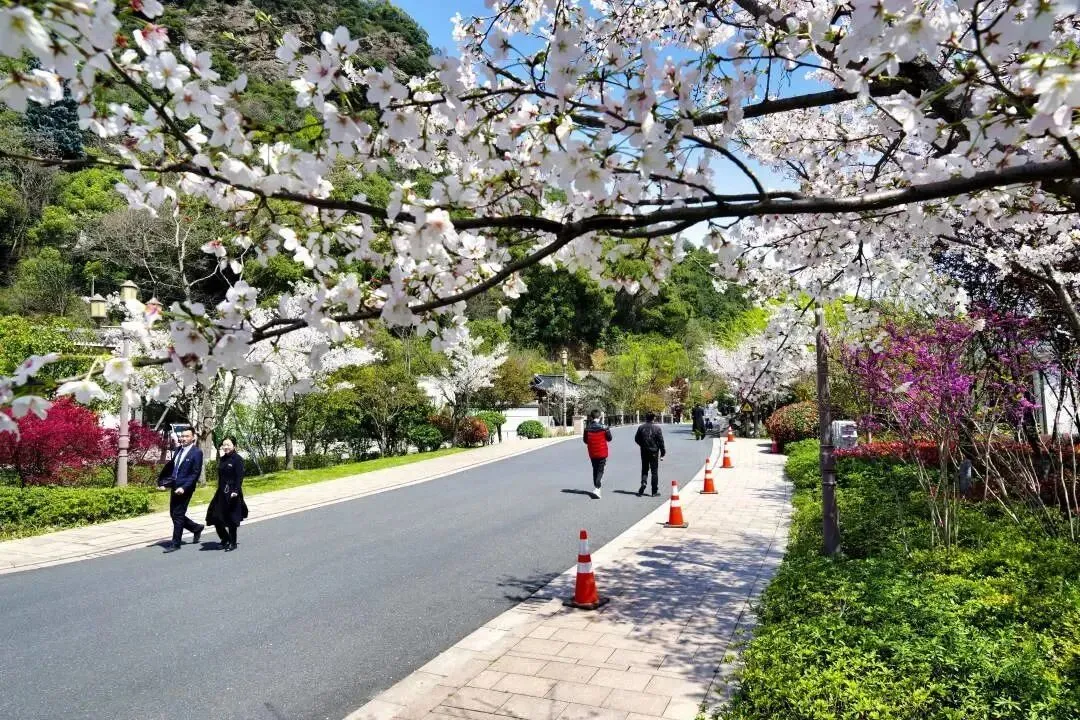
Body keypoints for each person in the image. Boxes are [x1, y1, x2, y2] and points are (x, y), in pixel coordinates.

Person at [157, 426, 204, 553]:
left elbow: (195, 473)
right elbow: (174, 470)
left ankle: (175, 543)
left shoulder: (197, 453)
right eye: (182, 436)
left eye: (187, 436)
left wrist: (184, 487)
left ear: (193, 438)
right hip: (175, 486)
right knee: (174, 514)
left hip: (185, 488)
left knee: (177, 514)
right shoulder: (178, 450)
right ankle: (196, 528)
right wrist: (165, 484)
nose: (183, 438)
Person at [205, 436, 248, 551]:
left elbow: (239, 477)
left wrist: (236, 491)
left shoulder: (237, 459)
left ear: (234, 446)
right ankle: (225, 539)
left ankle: (233, 543)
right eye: (224, 445)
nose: (226, 447)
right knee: (214, 516)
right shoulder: (223, 459)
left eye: (228, 444)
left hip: (233, 492)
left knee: (231, 519)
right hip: (221, 492)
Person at [582, 409, 612, 499]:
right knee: (600, 470)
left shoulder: (587, 428)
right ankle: (597, 487)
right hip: (602, 452)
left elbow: (585, 441)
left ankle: (597, 488)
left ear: (591, 417)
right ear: (600, 417)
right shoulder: (604, 427)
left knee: (595, 469)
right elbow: (609, 438)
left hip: (592, 452)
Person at [634, 412, 666, 497]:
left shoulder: (641, 427)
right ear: (653, 418)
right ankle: (654, 491)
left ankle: (644, 482)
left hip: (644, 451)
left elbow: (636, 439)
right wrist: (663, 452)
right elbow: (661, 441)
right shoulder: (657, 428)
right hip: (654, 451)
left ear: (646, 418)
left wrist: (642, 445)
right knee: (654, 471)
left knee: (645, 469)